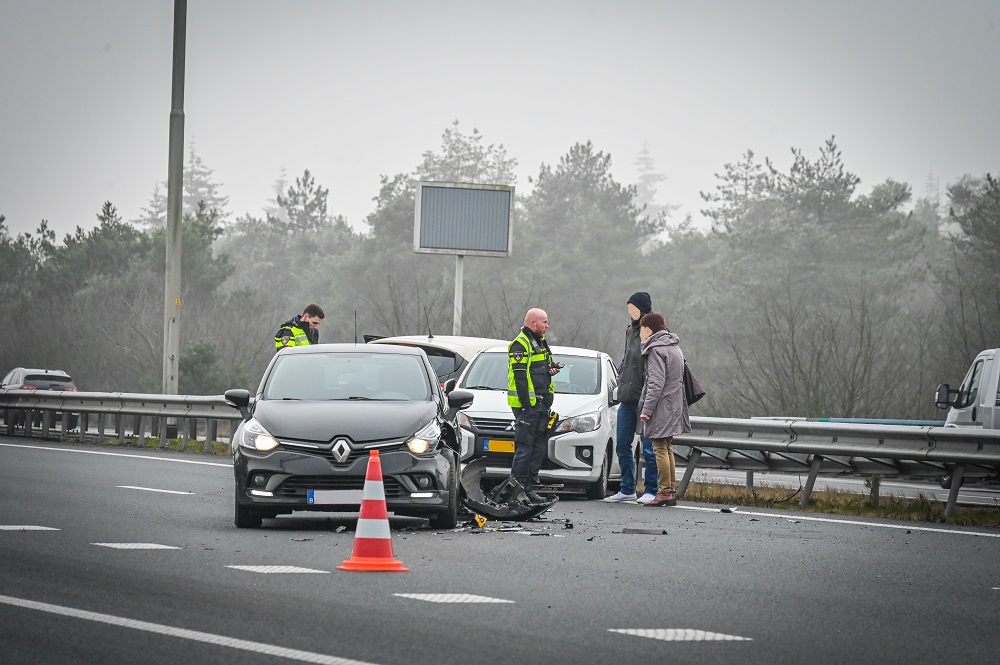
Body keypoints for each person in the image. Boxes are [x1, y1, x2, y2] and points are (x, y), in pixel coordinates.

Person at [604, 291, 659, 504]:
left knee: (648, 449)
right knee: (622, 445)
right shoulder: (630, 331)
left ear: (643, 309)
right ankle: (627, 488)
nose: (630, 311)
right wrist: (619, 370)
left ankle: (651, 490)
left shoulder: (653, 331)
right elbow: (628, 356)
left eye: (633, 307)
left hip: (645, 397)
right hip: (627, 396)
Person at [507, 307, 561, 504]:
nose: (547, 326)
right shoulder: (520, 344)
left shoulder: (540, 342)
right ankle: (516, 490)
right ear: (532, 323)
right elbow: (521, 378)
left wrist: (551, 369)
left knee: (537, 448)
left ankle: (528, 488)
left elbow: (541, 368)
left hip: (541, 404)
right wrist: (527, 406)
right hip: (528, 406)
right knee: (524, 448)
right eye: (544, 322)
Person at [637, 312, 691, 506]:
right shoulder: (674, 347)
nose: (640, 333)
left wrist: (647, 409)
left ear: (649, 329)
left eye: (642, 329)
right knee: (667, 447)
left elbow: (655, 383)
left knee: (659, 448)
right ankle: (670, 490)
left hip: (661, 406)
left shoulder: (656, 350)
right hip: (674, 403)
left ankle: (664, 492)